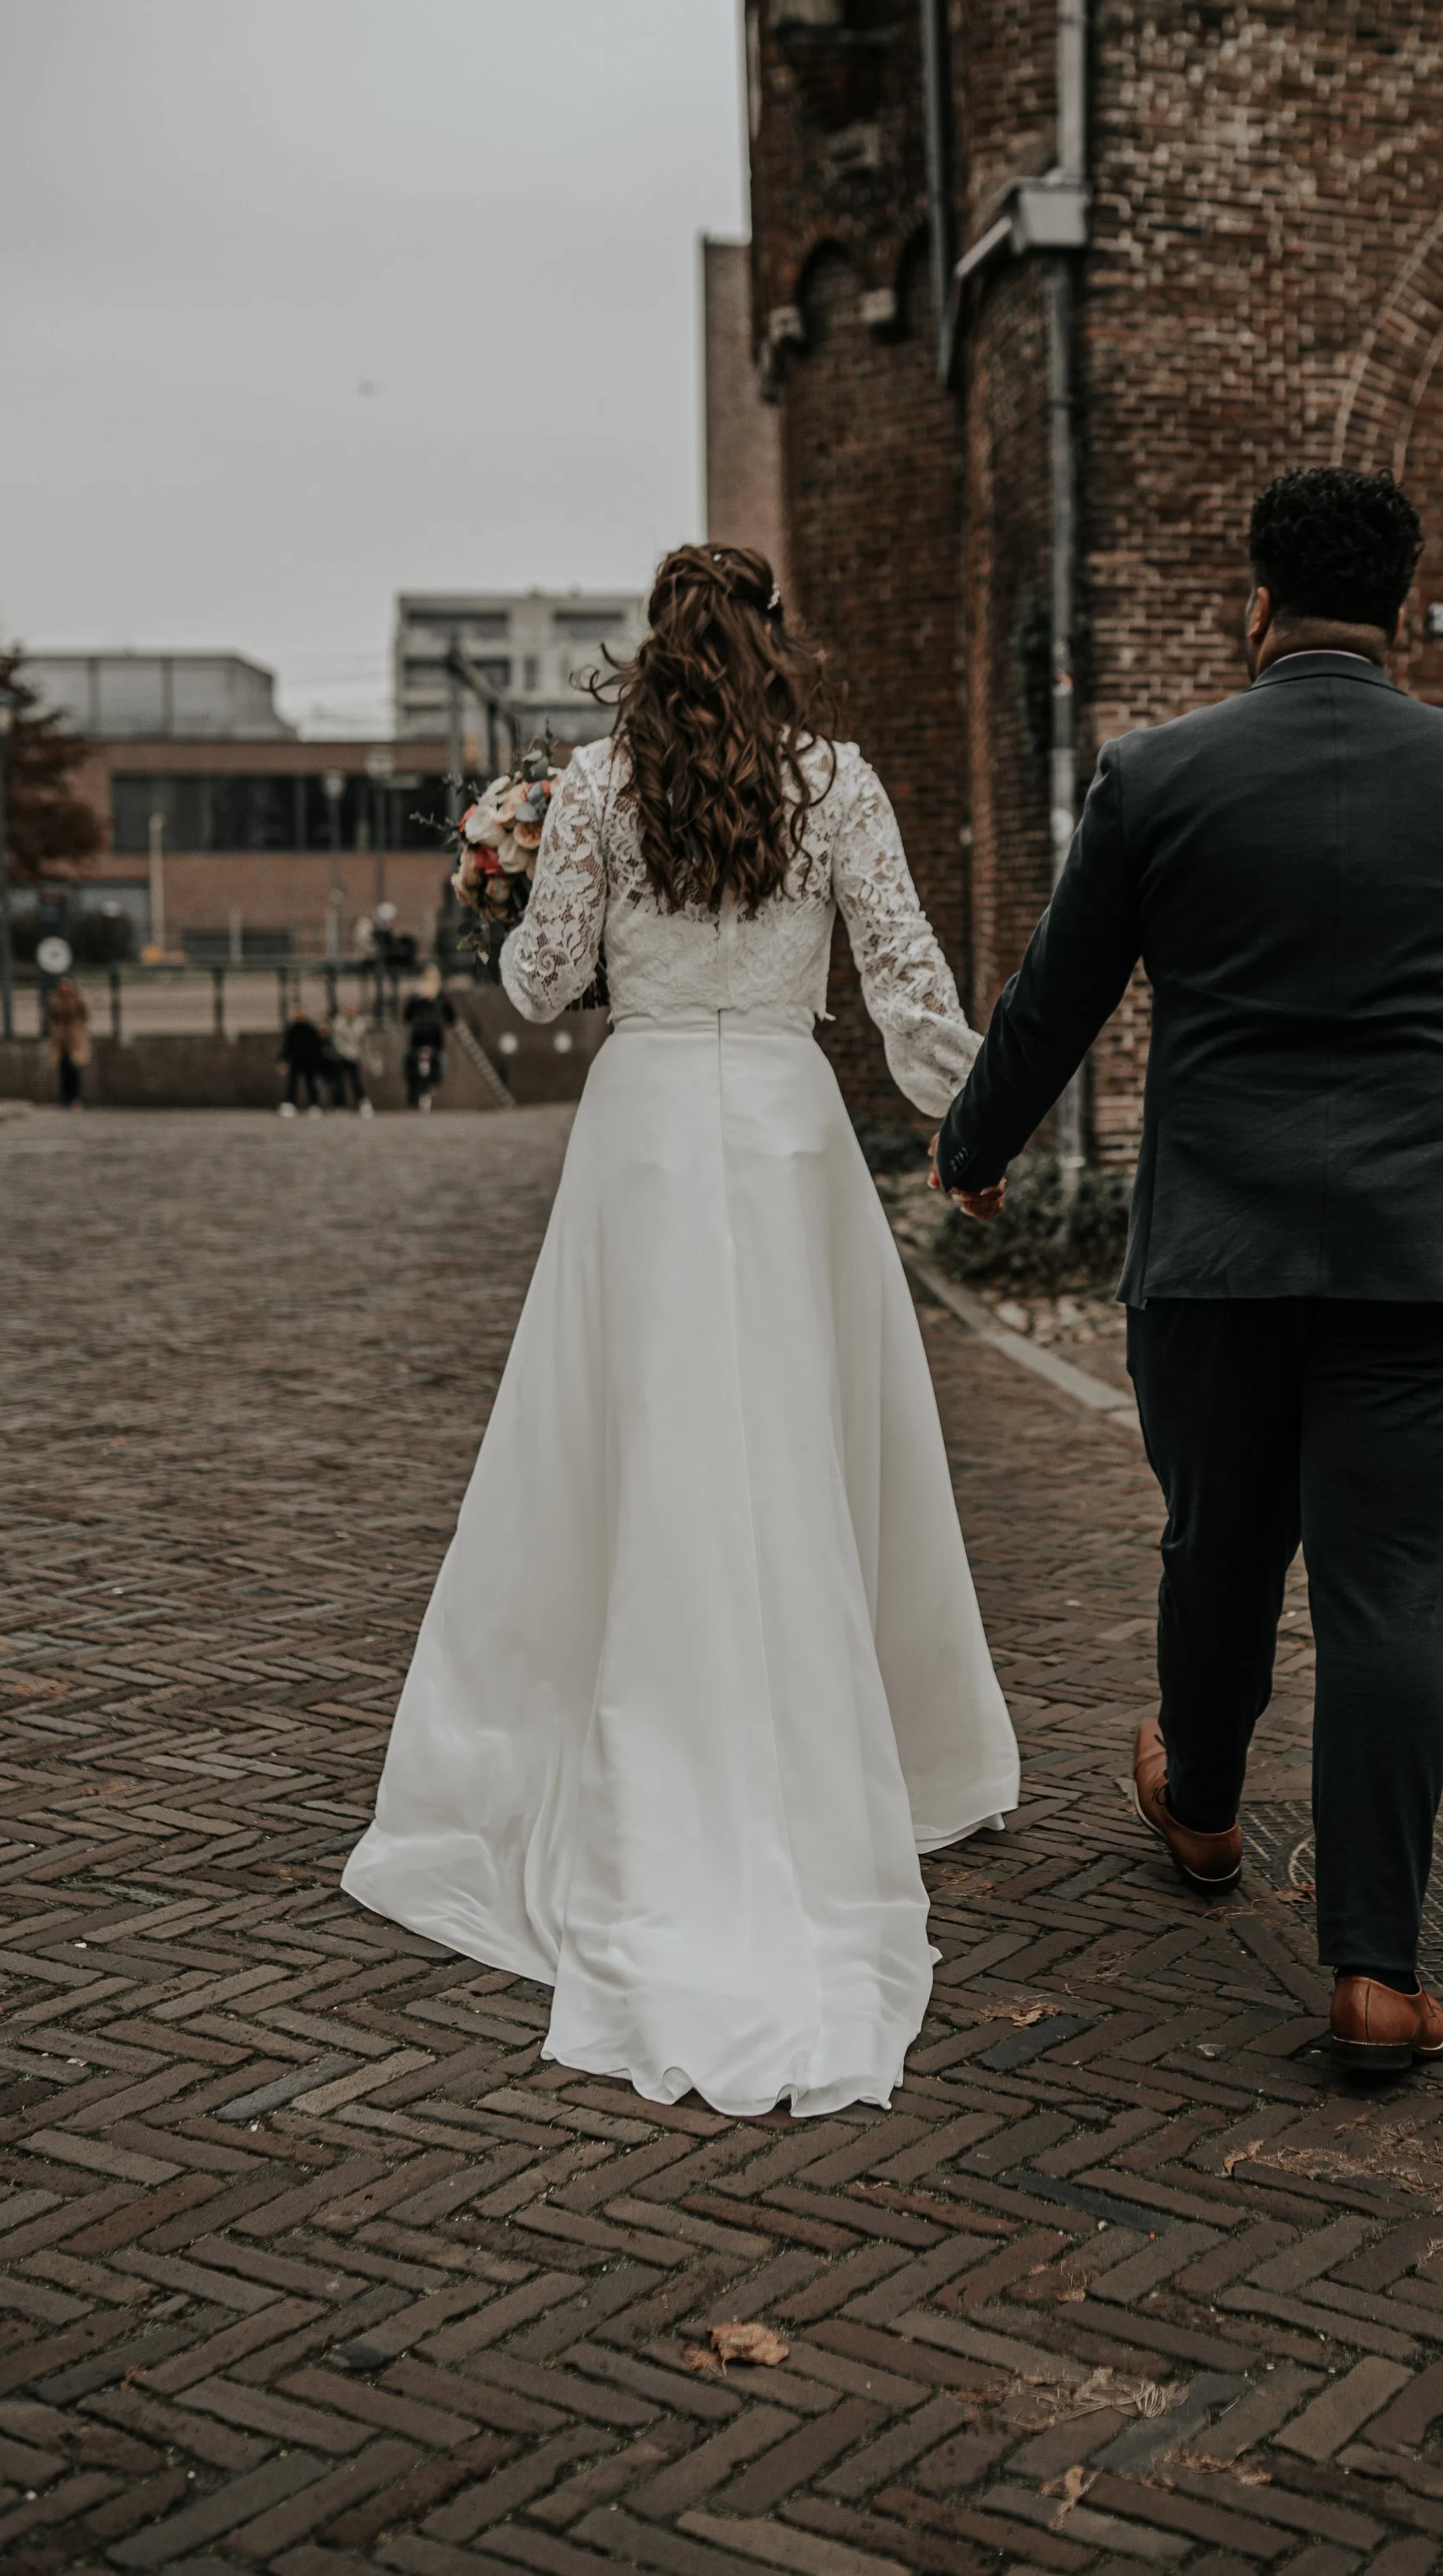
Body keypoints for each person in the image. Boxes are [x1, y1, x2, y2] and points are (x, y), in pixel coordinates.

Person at [934, 467, 1443, 2076]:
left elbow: (1054, 992)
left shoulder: (1158, 773)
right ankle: (1375, 1970)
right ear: (1400, 608)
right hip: (1422, 1262)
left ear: (1256, 601)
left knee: (1220, 1543)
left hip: (1214, 1255)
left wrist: (974, 1142)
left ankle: (1208, 1807)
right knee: (1388, 1591)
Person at [344, 544, 1019, 2115]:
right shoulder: (838, 781)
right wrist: (979, 1125)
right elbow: (909, 993)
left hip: (643, 1134)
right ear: (777, 641)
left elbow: (539, 985)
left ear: (651, 647)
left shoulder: (593, 786)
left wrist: (504, 881)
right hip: (785, 1133)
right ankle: (883, 1750)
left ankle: (612, 1737)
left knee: (628, 1432)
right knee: (795, 1434)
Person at [401, 970, 454, 1109]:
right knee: (441, 1061)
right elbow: (451, 1016)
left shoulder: (416, 996)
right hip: (435, 1037)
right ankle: (432, 1085)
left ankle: (412, 1089)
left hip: (418, 1036)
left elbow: (407, 1015)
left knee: (409, 1060)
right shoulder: (441, 997)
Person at [44, 971, 91, 1111]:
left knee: (75, 1067)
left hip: (74, 1037)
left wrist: (78, 1027)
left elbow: (84, 1015)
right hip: (60, 1039)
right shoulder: (55, 999)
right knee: (63, 1068)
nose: (65, 988)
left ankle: (76, 1098)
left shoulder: (77, 998)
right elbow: (50, 1016)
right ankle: (65, 1098)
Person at [278, 1004, 330, 1114]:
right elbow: (288, 1046)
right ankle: (290, 1103)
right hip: (296, 1060)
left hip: (309, 1060)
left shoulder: (311, 1028)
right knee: (293, 1083)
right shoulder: (292, 1028)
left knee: (310, 1083)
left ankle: (314, 1105)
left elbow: (318, 1045)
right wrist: (283, 1060)